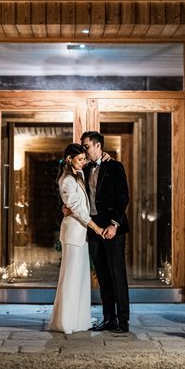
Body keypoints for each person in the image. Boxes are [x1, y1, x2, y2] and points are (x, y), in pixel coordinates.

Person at [48, 143, 106, 334]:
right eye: (80, 159)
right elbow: (76, 207)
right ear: (69, 159)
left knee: (81, 279)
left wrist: (105, 157)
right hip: (73, 234)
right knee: (70, 278)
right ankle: (65, 322)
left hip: (81, 235)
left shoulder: (79, 174)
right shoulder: (66, 180)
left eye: (84, 158)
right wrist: (96, 227)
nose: (83, 162)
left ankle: (80, 319)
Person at [81, 130, 131, 333]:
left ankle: (123, 321)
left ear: (98, 146)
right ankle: (108, 318)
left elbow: (123, 197)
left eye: (87, 146)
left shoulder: (115, 166)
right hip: (93, 229)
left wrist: (113, 224)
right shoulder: (84, 169)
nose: (84, 150)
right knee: (102, 275)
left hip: (113, 229)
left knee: (117, 274)